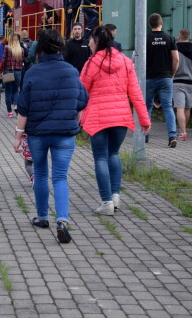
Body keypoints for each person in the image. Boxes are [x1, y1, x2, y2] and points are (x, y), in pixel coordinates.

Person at [13, 29, 88, 243]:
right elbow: (82, 100)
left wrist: (18, 136)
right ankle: (62, 221)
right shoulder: (71, 72)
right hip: (64, 133)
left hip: (37, 134)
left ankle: (42, 217)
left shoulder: (33, 73)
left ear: (40, 48)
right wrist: (77, 119)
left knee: (40, 172)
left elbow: (23, 109)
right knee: (60, 177)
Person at [79, 26, 151, 215]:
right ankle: (116, 196)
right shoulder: (126, 62)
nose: (88, 43)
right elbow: (135, 93)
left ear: (97, 42)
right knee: (114, 154)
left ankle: (106, 202)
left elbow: (81, 92)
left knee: (100, 157)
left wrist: (75, 114)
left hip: (98, 118)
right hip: (121, 117)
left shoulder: (91, 63)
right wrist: (144, 119)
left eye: (91, 40)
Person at [145, 13, 179, 147]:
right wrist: (172, 74)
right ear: (162, 23)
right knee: (168, 107)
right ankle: (172, 137)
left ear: (149, 24)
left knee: (147, 107)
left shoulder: (145, 38)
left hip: (149, 78)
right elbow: (176, 59)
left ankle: (145, 136)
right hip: (165, 78)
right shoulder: (169, 38)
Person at [173, 29, 192, 140]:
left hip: (178, 81)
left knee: (179, 109)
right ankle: (183, 130)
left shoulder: (174, 48)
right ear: (188, 37)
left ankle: (183, 132)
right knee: (187, 109)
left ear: (179, 36)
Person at [2, 33, 24, 117]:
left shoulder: (7, 48)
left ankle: (9, 112)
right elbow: (22, 62)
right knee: (16, 91)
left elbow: (3, 61)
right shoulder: (21, 49)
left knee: (8, 92)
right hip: (18, 72)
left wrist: (2, 70)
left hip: (8, 71)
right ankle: (16, 105)